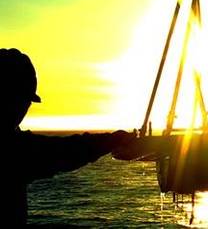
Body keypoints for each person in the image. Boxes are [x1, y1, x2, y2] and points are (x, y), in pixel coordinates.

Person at [0, 48, 135, 226]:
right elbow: (61, 152)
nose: (24, 108)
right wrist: (113, 140)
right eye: (23, 100)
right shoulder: (11, 147)